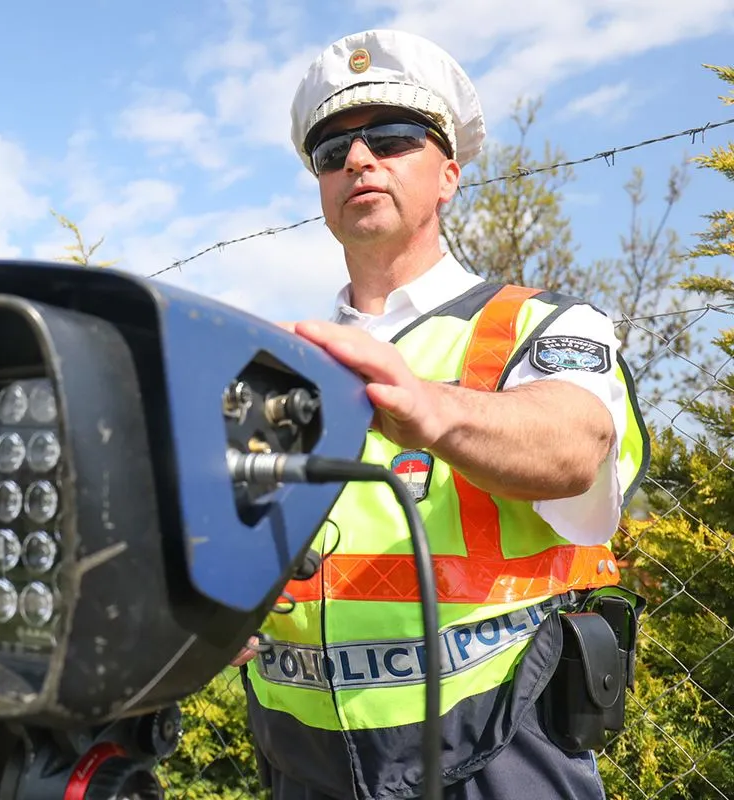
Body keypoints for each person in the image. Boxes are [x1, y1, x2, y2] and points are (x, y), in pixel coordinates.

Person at [232, 29, 650, 800]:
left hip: (497, 748)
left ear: (449, 175)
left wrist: (432, 408)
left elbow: (578, 446)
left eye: (391, 139)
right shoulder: (277, 365)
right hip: (302, 761)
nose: (359, 160)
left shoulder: (539, 325)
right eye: (332, 152)